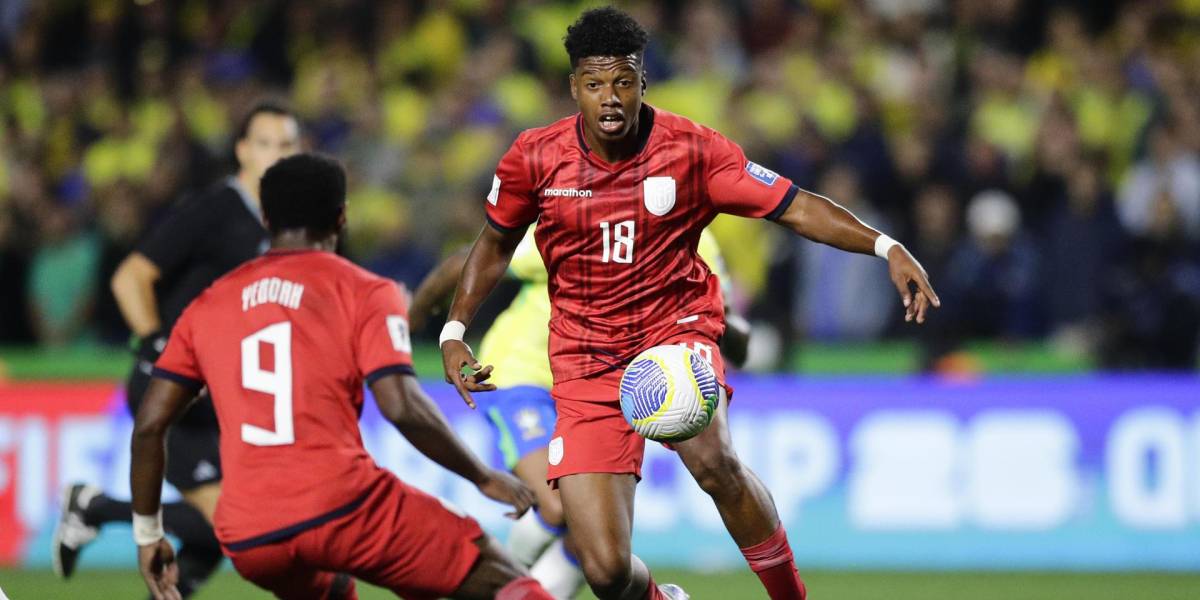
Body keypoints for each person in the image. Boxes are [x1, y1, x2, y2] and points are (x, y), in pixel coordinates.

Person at [439, 7, 939, 600]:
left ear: (642, 81)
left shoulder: (692, 150)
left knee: (713, 461)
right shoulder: (534, 157)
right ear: (574, 86)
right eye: (595, 84)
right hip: (582, 358)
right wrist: (453, 330)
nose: (610, 98)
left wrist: (886, 246)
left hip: (673, 334)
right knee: (603, 570)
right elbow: (494, 243)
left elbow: (795, 205)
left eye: (623, 81)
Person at [129, 153, 555, 600]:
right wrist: (482, 476)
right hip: (341, 505)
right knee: (502, 580)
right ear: (342, 216)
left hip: (249, 533)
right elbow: (400, 405)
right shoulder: (365, 291)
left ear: (265, 217)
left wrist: (147, 534)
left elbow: (150, 424)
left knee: (332, 592)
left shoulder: (208, 304)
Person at [411, 227, 746, 599]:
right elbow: (472, 256)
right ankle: (498, 585)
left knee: (589, 538)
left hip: (603, 391)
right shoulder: (589, 222)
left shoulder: (701, 242)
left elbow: (730, 326)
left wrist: (722, 325)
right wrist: (415, 316)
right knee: (556, 507)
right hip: (525, 375)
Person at [52, 101, 301, 594]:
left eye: (288, 145)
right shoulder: (215, 210)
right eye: (266, 144)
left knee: (223, 535)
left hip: (224, 395)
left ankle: (126, 546)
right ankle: (92, 507)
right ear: (243, 152)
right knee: (240, 522)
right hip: (174, 387)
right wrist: (157, 345)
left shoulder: (286, 227)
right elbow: (131, 278)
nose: (277, 155)